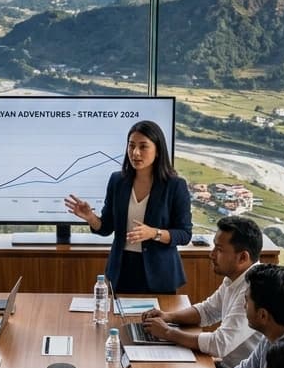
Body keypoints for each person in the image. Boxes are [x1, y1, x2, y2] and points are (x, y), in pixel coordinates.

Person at [64, 120, 192, 294]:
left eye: (143, 146)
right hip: (121, 269)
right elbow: (106, 227)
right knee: (117, 319)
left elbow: (184, 234)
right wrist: (91, 218)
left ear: (158, 151)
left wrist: (154, 233)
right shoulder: (118, 181)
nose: (135, 152)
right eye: (131, 146)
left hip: (159, 273)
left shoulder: (175, 185)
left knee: (155, 321)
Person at [141, 215, 262, 367]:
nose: (211, 255)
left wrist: (167, 333)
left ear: (243, 257)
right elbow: (207, 311)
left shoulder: (255, 289)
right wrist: (168, 316)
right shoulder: (234, 278)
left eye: (219, 250)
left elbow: (220, 344)